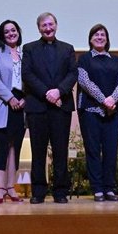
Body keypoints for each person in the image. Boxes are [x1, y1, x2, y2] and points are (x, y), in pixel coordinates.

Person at [22, 12, 77, 204]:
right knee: (38, 151)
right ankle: (38, 191)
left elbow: (72, 74)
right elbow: (27, 74)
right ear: (39, 28)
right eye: (44, 25)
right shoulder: (29, 48)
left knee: (60, 150)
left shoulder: (67, 48)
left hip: (61, 106)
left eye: (51, 24)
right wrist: (47, 93)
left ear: (56, 25)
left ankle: (60, 191)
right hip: (38, 106)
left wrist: (58, 92)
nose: (48, 28)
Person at [77, 24, 118, 202]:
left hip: (112, 112)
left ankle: (109, 188)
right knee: (93, 150)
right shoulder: (84, 59)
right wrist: (103, 99)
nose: (99, 37)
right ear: (90, 39)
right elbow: (84, 81)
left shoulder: (116, 60)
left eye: (103, 35)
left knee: (111, 150)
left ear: (107, 38)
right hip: (90, 111)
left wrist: (112, 99)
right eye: (96, 35)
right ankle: (97, 189)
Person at [0, 20, 27, 204]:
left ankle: (11, 187)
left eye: (13, 30)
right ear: (2, 35)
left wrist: (25, 98)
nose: (11, 33)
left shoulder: (27, 53)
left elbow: (32, 77)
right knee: (2, 146)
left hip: (23, 103)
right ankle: (0, 188)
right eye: (6, 31)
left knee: (15, 147)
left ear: (18, 32)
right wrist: (10, 98)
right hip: (3, 102)